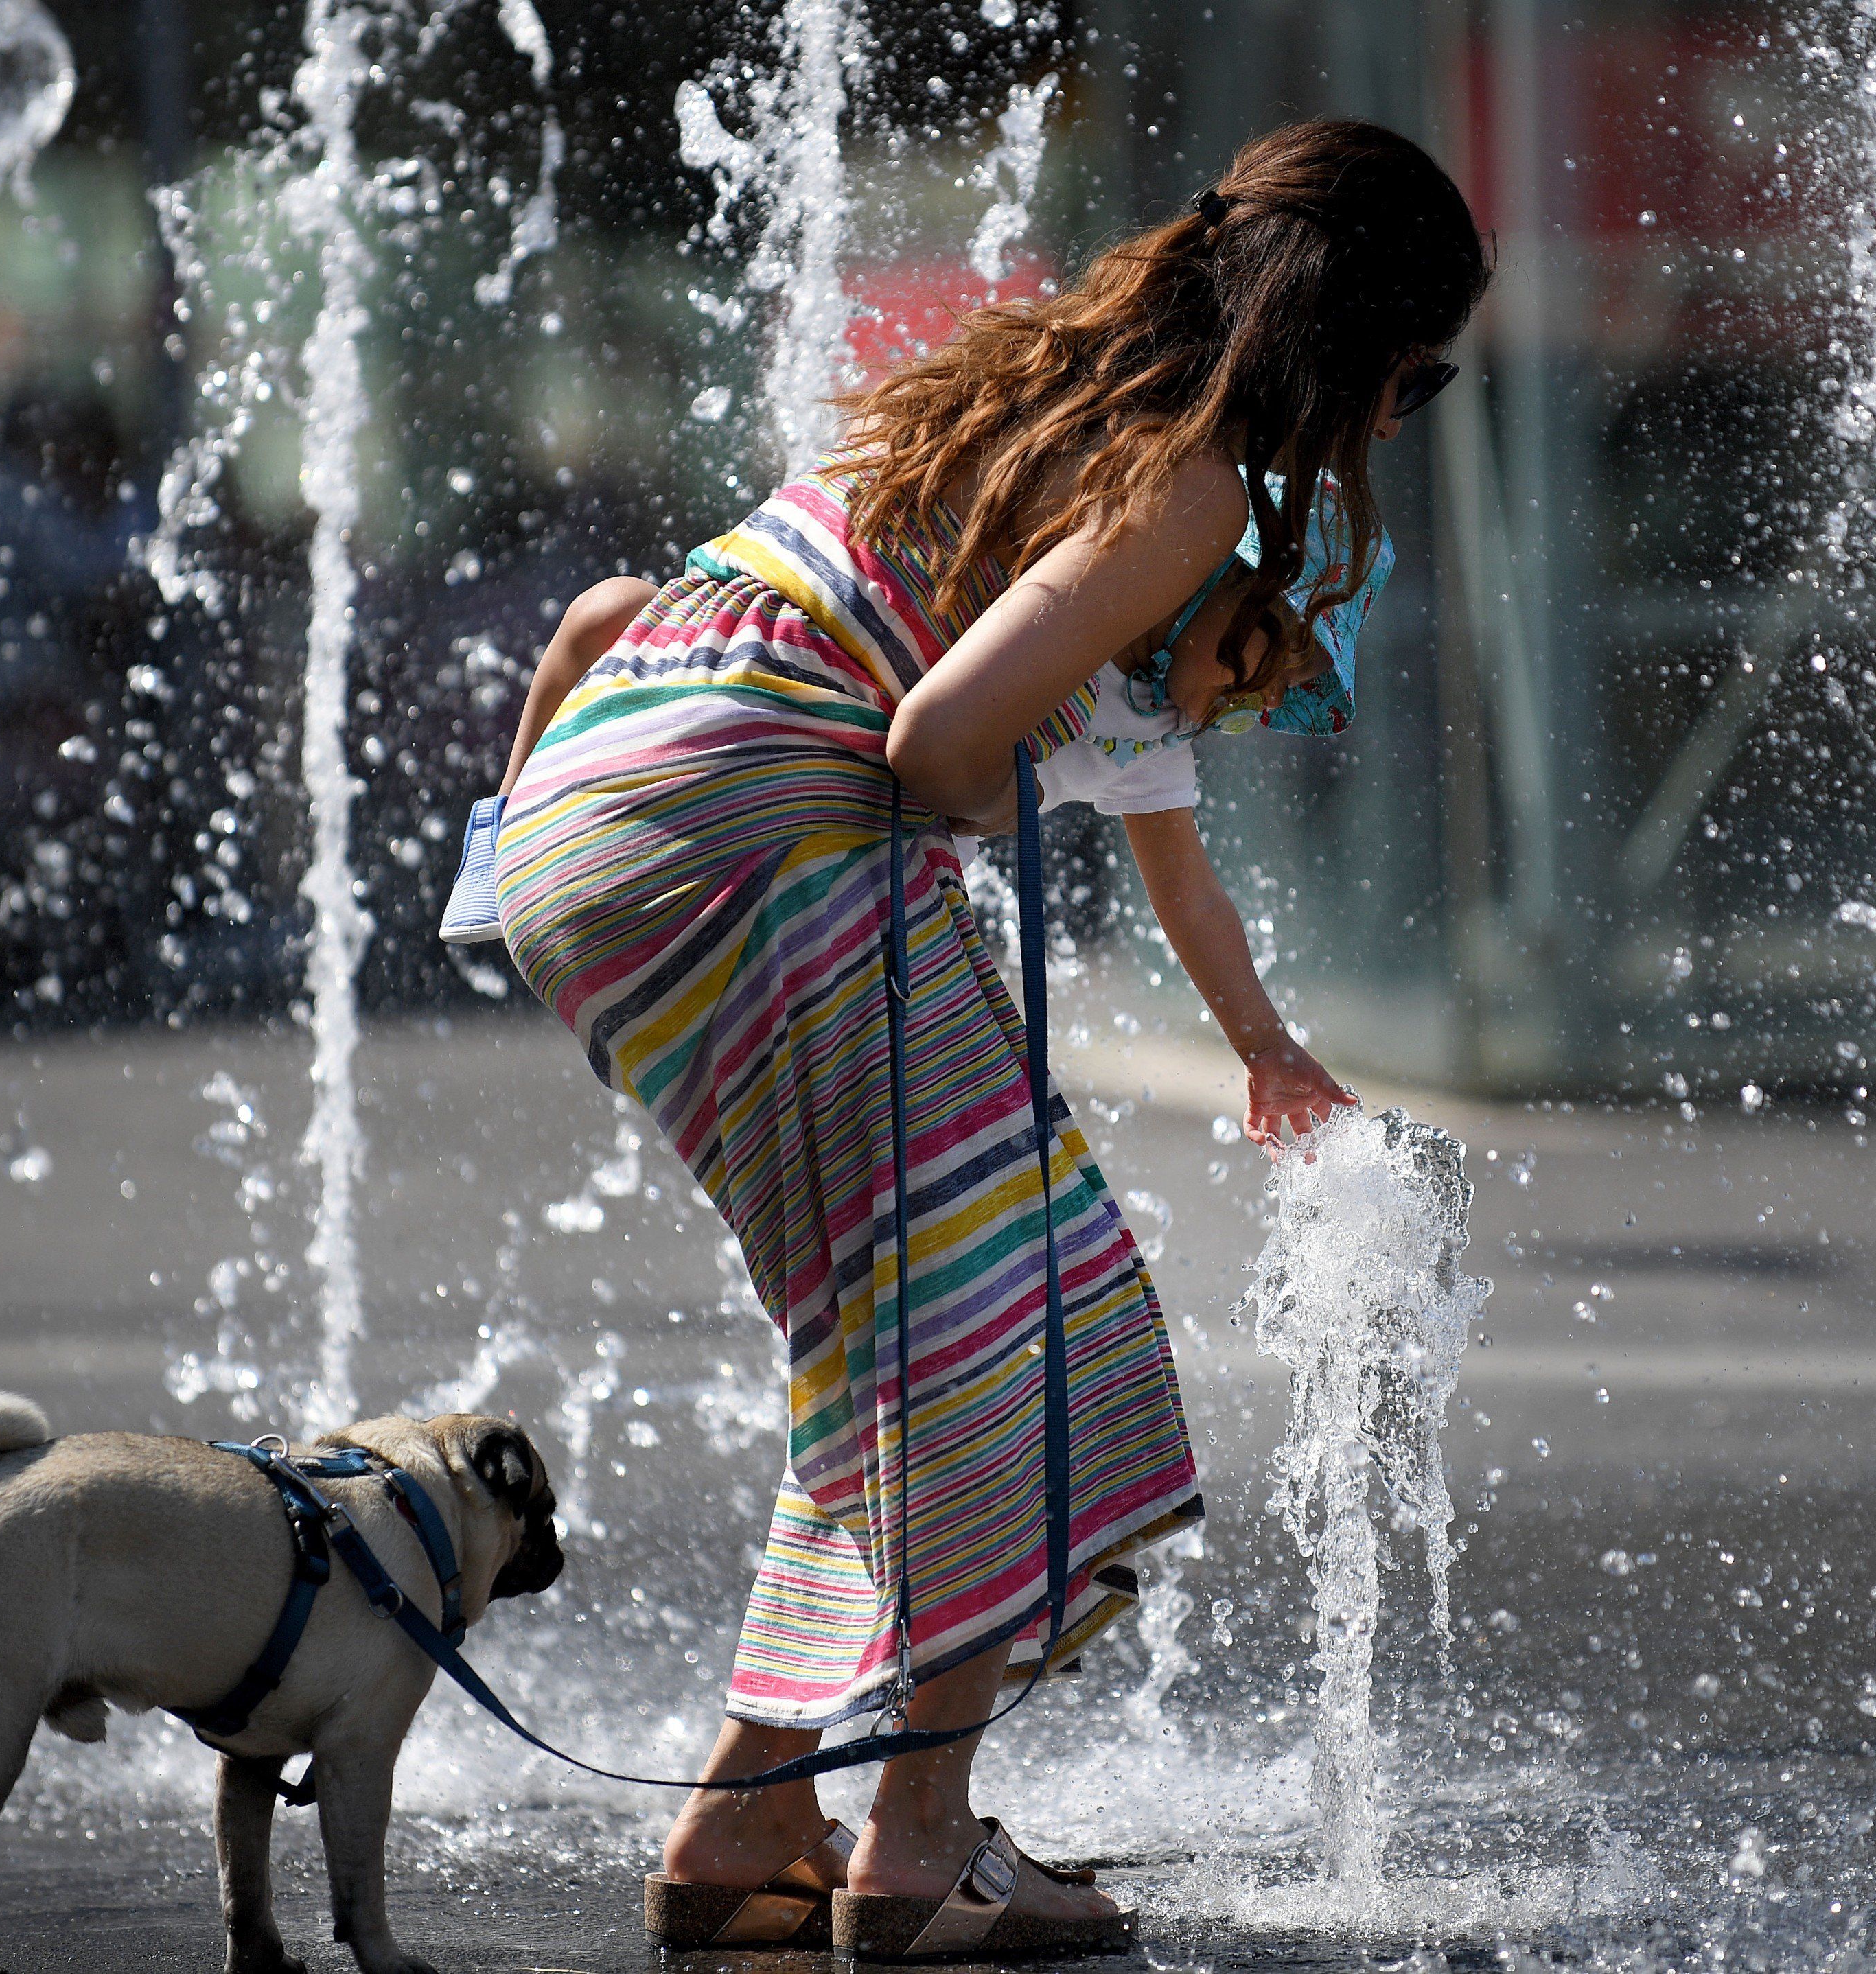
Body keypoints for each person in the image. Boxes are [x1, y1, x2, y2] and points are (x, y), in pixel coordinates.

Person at [476, 117, 1488, 1958]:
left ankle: (746, 1816)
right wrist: (990, 779)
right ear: (1349, 344)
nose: (1402, 423)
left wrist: (1257, 1032)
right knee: (1045, 1339)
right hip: (746, 839)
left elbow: (1085, 775)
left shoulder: (1027, 395)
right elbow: (938, 739)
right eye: (1417, 378)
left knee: (905, 1341)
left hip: (604, 813)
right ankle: (919, 1843)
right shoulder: (1186, 484)